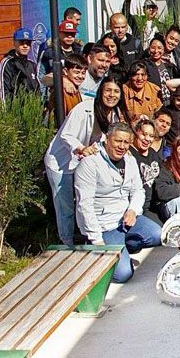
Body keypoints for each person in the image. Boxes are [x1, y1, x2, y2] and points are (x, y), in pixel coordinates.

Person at [44, 77, 129, 245]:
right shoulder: (83, 109)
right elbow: (66, 135)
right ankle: (66, 242)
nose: (112, 95)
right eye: (108, 91)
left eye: (116, 91)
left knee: (82, 200)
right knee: (66, 206)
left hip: (82, 162)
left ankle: (83, 235)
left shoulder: (113, 114)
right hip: (61, 162)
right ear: (100, 93)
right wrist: (81, 148)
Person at [74, 122, 162, 283]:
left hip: (125, 220)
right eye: (118, 141)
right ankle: (97, 251)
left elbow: (138, 190)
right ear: (107, 139)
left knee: (158, 235)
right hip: (104, 227)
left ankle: (123, 248)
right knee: (123, 275)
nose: (122, 146)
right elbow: (84, 206)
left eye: (126, 142)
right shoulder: (89, 163)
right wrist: (97, 241)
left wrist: (133, 210)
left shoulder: (129, 160)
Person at [129, 117, 161, 215]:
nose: (147, 139)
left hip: (152, 206)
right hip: (134, 208)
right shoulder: (128, 154)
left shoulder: (154, 154)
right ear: (136, 133)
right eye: (144, 134)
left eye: (151, 136)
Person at [0, 27, 39, 100]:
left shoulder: (31, 65)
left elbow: (37, 90)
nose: (25, 46)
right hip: (14, 109)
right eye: (21, 42)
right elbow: (3, 92)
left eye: (28, 43)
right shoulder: (7, 63)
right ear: (14, 42)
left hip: (32, 109)